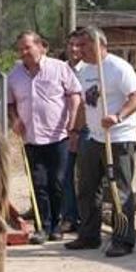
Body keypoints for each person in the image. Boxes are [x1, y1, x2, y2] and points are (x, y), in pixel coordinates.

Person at [65, 26, 136, 257]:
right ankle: (89, 236)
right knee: (87, 188)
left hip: (119, 138)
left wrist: (117, 116)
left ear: (100, 45)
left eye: (84, 46)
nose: (78, 50)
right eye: (77, 45)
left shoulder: (119, 67)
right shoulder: (84, 70)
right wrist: (75, 131)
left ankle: (123, 239)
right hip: (93, 137)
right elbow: (84, 104)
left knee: (119, 190)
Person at [7, 31, 81, 244]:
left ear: (41, 47)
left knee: (57, 182)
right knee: (38, 183)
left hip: (58, 137)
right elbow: (10, 103)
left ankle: (57, 225)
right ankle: (43, 226)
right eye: (20, 49)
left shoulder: (59, 68)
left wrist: (72, 120)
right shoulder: (15, 75)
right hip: (31, 138)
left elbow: (75, 95)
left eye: (27, 48)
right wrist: (14, 120)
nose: (23, 52)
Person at [60, 31, 88, 233]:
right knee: (65, 173)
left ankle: (88, 217)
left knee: (88, 176)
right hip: (66, 130)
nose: (74, 49)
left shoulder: (90, 70)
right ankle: (69, 217)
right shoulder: (61, 69)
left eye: (78, 45)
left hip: (87, 129)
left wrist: (78, 130)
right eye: (71, 44)